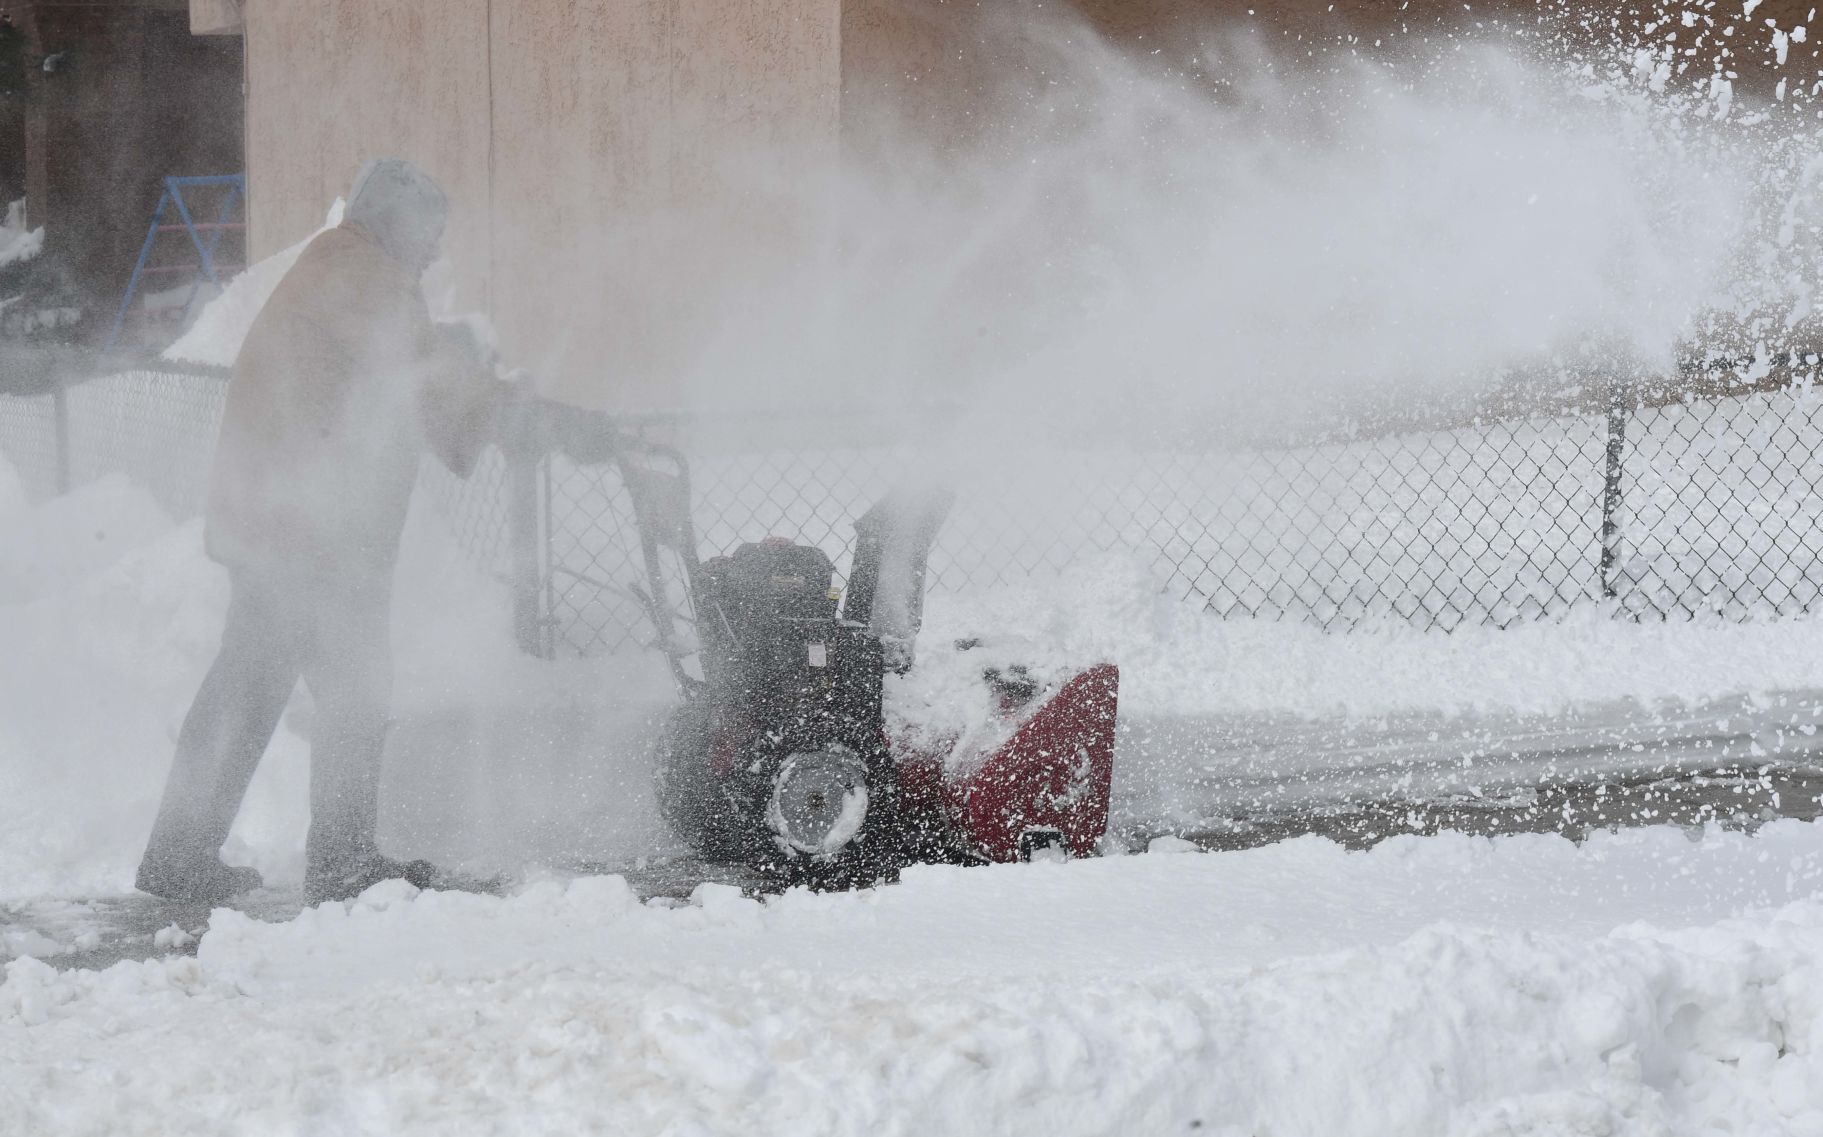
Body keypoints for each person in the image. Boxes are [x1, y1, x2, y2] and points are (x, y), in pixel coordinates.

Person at [137, 159, 517, 905]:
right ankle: (342, 862)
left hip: (276, 524)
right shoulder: (361, 273)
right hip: (308, 533)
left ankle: (178, 856)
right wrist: (509, 409)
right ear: (394, 223)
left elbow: (403, 370)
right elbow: (420, 372)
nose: (435, 252)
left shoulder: (342, 268)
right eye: (429, 234)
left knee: (245, 690)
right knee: (354, 688)